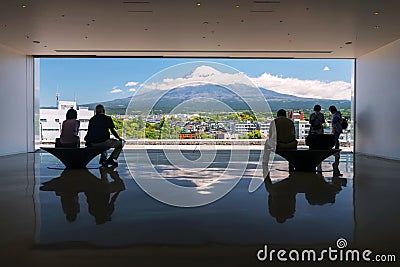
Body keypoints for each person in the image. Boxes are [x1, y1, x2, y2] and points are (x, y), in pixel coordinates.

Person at [329, 105, 343, 176]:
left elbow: (334, 122)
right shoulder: (338, 113)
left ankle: (336, 148)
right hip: (339, 128)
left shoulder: (336, 115)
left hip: (336, 128)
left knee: (335, 138)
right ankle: (336, 148)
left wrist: (333, 128)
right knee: (336, 139)